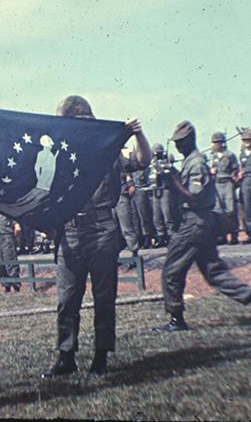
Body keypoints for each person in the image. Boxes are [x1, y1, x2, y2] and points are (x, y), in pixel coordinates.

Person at [41, 95, 151, 378]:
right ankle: (66, 356)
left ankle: (101, 357)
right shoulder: (61, 152)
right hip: (69, 231)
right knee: (67, 299)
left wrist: (138, 134)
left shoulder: (108, 147)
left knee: (104, 296)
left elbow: (142, 160)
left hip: (101, 228)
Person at [153, 121, 251, 334]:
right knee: (214, 272)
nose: (177, 146)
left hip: (194, 222)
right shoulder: (191, 161)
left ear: (190, 140)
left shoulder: (196, 163)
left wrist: (173, 179)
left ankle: (176, 320)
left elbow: (194, 197)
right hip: (201, 223)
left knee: (171, 271)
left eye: (180, 142)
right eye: (175, 143)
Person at [209, 132, 240, 245]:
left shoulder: (230, 155)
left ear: (223, 143)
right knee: (218, 210)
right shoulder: (213, 156)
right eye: (215, 143)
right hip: (217, 183)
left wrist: (234, 178)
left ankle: (234, 234)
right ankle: (222, 235)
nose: (216, 145)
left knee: (230, 210)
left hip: (227, 183)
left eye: (218, 142)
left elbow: (235, 169)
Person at [151, 143, 178, 248]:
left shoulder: (167, 164)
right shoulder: (152, 163)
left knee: (167, 214)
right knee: (157, 215)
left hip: (165, 189)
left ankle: (171, 235)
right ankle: (161, 236)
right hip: (156, 190)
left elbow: (170, 174)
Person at [115, 165, 140, 258]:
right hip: (109, 198)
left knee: (126, 225)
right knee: (112, 228)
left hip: (121, 196)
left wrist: (130, 186)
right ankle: (115, 253)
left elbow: (130, 183)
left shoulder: (120, 164)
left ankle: (134, 251)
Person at [130, 164, 157, 249]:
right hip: (132, 192)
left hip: (141, 191)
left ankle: (148, 237)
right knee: (135, 217)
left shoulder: (146, 168)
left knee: (144, 216)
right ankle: (140, 238)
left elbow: (150, 182)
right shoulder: (130, 169)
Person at [0, 213, 21, 292]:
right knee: (2, 263)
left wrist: (17, 224)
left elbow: (13, 211)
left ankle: (16, 286)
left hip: (8, 233)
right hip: (1, 233)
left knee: (10, 260)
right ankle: (6, 285)